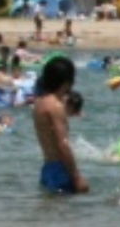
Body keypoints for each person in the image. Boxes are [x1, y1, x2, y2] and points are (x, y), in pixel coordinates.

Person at [32, 56, 87, 195]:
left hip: (47, 167)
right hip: (59, 168)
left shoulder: (38, 104)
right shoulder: (56, 106)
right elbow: (63, 144)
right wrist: (76, 176)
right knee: (66, 212)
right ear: (67, 82)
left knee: (52, 211)